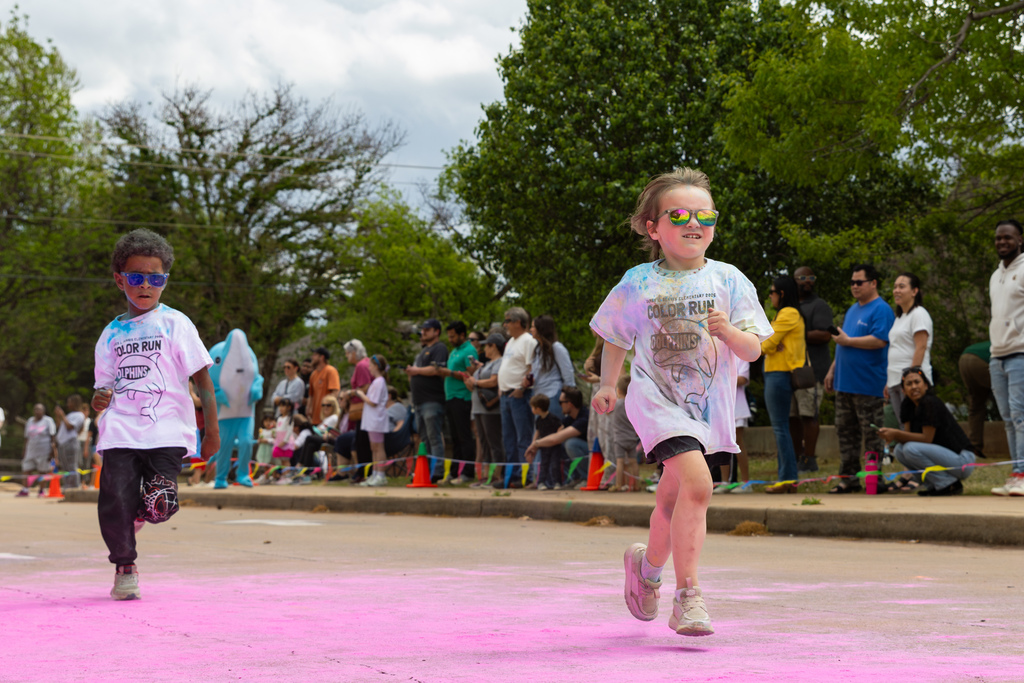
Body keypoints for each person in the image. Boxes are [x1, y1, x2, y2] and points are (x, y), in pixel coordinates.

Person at [591, 167, 772, 637]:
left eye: (704, 214)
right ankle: (687, 596)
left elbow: (754, 348)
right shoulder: (637, 282)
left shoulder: (729, 280)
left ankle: (645, 569)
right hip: (654, 400)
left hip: (705, 408)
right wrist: (609, 384)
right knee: (699, 484)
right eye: (679, 214)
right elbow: (615, 336)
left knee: (673, 502)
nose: (694, 223)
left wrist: (729, 331)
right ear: (654, 228)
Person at [91, 228, 219, 600]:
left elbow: (203, 381)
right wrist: (101, 398)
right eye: (136, 278)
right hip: (120, 430)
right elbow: (105, 386)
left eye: (155, 278)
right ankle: (125, 567)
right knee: (114, 497)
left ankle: (140, 514)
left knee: (162, 503)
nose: (145, 285)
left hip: (166, 430)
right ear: (120, 280)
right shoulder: (110, 335)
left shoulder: (176, 324)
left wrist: (211, 433)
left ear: (164, 281)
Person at [824, 264, 895, 494]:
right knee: (846, 433)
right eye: (852, 282)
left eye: (859, 282)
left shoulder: (881, 309)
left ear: (873, 283)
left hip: (868, 384)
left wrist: (848, 342)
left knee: (872, 435)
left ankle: (875, 480)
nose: (854, 286)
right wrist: (832, 369)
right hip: (845, 382)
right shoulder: (853, 309)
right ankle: (848, 479)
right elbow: (844, 340)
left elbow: (879, 340)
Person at [879, 367, 976, 496]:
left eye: (917, 382)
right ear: (903, 390)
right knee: (899, 450)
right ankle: (933, 485)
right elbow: (907, 437)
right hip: (942, 458)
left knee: (910, 449)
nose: (914, 387)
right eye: (909, 384)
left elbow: (927, 438)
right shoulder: (907, 405)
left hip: (962, 461)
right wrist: (889, 436)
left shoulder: (930, 402)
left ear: (925, 385)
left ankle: (948, 484)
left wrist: (895, 434)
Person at [760, 276, 806, 494]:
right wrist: (768, 342)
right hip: (775, 373)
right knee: (781, 428)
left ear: (783, 294)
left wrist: (767, 342)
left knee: (780, 428)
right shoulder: (783, 314)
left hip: (779, 374)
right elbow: (768, 342)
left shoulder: (789, 313)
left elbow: (765, 344)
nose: (770, 296)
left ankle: (788, 478)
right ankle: (786, 478)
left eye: (773, 292)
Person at [989, 218, 1024, 496]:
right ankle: (1015, 473)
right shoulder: (995, 274)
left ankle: (1023, 473)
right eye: (999, 238)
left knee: (1021, 416)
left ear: (1020, 240)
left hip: (1020, 355)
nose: (1002, 241)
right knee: (1008, 420)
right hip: (997, 356)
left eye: (1008, 237)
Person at [789, 266, 834, 472]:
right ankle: (798, 457)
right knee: (792, 417)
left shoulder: (819, 305)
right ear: (794, 280)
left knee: (809, 415)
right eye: (802, 277)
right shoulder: (790, 305)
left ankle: (810, 459)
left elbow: (825, 335)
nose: (807, 281)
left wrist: (795, 333)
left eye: (811, 277)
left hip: (812, 370)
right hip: (790, 370)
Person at [497, 307, 537, 488]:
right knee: (508, 438)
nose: (505, 324)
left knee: (523, 437)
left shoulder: (528, 341)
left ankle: (525, 476)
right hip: (506, 395)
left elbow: (531, 368)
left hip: (519, 395)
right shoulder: (511, 342)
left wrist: (522, 387)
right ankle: (511, 476)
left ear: (518, 322)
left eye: (508, 320)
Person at [405, 319, 448, 481]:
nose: (423, 332)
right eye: (422, 330)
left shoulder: (439, 348)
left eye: (427, 330)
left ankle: (437, 470)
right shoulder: (422, 351)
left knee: (434, 436)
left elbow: (436, 369)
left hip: (432, 400)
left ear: (436, 331)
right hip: (419, 401)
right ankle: (426, 470)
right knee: (424, 439)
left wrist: (416, 371)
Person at [885, 272, 933, 417]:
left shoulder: (919, 314)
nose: (896, 291)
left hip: (910, 383)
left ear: (914, 291)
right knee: (903, 424)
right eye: (895, 287)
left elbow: (921, 346)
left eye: (901, 286)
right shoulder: (899, 318)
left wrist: (911, 379)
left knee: (914, 424)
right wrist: (889, 381)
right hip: (895, 380)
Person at [436, 321, 477, 484]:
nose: (450, 339)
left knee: (464, 436)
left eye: (453, 336)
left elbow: (472, 375)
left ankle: (467, 472)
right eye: (449, 336)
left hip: (462, 397)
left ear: (462, 335)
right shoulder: (453, 351)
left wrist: (450, 373)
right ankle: (454, 472)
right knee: (455, 438)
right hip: (450, 397)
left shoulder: (470, 350)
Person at [465, 333, 505, 487]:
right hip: (478, 407)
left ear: (493, 346)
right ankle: (484, 477)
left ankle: (496, 476)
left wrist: (476, 382)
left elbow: (494, 381)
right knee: (483, 442)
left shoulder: (500, 362)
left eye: (487, 345)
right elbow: (476, 383)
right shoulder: (486, 364)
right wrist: (470, 382)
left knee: (493, 441)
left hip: (491, 409)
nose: (484, 349)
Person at [530, 315, 576, 421]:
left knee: (553, 430)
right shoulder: (538, 349)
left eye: (533, 327)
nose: (531, 329)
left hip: (552, 396)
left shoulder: (556, 348)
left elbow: (568, 373)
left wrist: (566, 397)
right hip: (538, 397)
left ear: (541, 329)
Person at [355, 355, 390, 487]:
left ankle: (381, 474)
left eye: (370, 365)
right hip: (372, 420)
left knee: (378, 447)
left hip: (377, 420)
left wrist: (361, 394)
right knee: (373, 447)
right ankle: (375, 474)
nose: (369, 368)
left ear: (376, 366)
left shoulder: (379, 381)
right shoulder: (377, 381)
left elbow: (373, 402)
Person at [959, 341, 994, 456]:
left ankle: (974, 446)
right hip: (982, 361)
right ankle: (1017, 448)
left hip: (964, 358)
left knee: (976, 404)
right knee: (1012, 401)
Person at [609, 374, 641, 492]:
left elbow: (607, 412)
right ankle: (636, 485)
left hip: (619, 439)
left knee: (620, 461)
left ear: (618, 390)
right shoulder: (632, 405)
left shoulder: (616, 404)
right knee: (633, 461)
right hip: (631, 438)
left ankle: (618, 484)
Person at [18, 403, 56, 497]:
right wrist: (24, 450)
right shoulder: (30, 421)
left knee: (42, 471)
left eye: (39, 409)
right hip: (30, 450)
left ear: (43, 411)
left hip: (44, 450)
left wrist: (53, 451)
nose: (37, 411)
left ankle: (41, 490)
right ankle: (25, 489)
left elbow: (53, 437)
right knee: (26, 469)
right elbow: (26, 437)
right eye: (35, 409)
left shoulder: (48, 420)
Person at [527, 393, 564, 490]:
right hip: (544, 447)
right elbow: (537, 432)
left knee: (555, 464)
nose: (532, 409)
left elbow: (561, 427)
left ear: (538, 408)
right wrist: (533, 443)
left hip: (554, 446)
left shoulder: (552, 418)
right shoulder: (538, 420)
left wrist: (557, 437)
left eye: (533, 407)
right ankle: (541, 482)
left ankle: (557, 482)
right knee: (544, 464)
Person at [54, 394, 86, 489]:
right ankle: (67, 486)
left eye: (69, 402)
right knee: (65, 467)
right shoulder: (70, 414)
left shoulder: (80, 415)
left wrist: (62, 415)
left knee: (72, 466)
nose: (68, 404)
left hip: (70, 443)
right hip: (63, 443)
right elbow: (60, 426)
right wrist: (58, 416)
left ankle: (74, 487)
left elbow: (70, 427)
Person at [307, 346, 340, 425]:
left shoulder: (330, 370)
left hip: (326, 419)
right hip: (314, 419)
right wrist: (308, 408)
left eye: (315, 355)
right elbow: (311, 395)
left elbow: (335, 393)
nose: (312, 357)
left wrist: (327, 409)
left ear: (321, 357)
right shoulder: (313, 374)